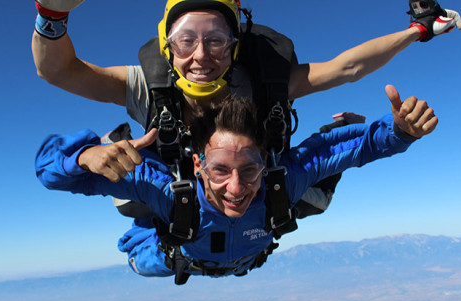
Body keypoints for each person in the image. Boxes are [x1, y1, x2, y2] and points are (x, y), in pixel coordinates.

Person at [32, 0, 461, 223]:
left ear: (234, 46)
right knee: (130, 207)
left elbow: (346, 68)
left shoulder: (262, 86)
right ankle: (116, 144)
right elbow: (58, 71)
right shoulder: (146, 86)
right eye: (185, 40)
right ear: (166, 45)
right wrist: (51, 15)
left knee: (308, 200)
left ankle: (342, 133)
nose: (201, 56)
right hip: (174, 182)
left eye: (216, 40)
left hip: (251, 183)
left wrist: (417, 31)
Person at [35, 84, 438, 284]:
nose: (235, 187)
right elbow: (48, 171)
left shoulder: (279, 182)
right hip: (169, 255)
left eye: (249, 169)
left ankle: (338, 123)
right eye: (219, 170)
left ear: (264, 160)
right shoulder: (162, 189)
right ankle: (116, 148)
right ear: (197, 164)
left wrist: (398, 133)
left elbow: (354, 150)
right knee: (137, 248)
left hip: (244, 254)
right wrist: (84, 156)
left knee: (315, 190)